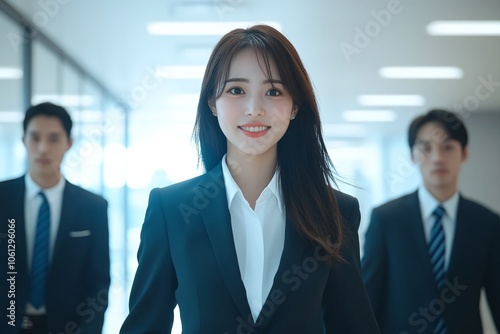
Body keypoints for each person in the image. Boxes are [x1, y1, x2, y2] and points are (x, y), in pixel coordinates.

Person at [120, 25, 379, 333]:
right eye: (236, 90)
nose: (254, 109)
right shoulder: (172, 209)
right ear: (213, 103)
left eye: (273, 91)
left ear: (295, 106)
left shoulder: (335, 212)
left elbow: (353, 325)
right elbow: (144, 325)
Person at [362, 109, 500, 334]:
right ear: (413, 156)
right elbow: (368, 298)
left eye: (447, 147)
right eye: (426, 148)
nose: (437, 157)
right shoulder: (387, 220)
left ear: (464, 153)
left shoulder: (486, 223)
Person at [0, 102, 111, 334]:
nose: (43, 148)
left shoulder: (93, 207)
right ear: (23, 141)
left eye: (53, 139)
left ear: (69, 143)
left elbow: (98, 283)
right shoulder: (3, 198)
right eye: (35, 138)